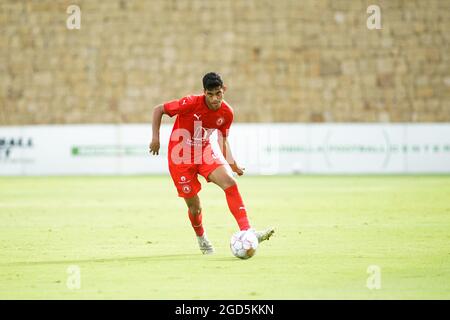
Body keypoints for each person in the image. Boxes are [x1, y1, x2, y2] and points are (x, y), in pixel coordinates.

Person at [149, 72, 274, 254]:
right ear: (204, 93)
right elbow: (158, 109)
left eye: (218, 94)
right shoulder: (190, 103)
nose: (215, 99)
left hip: (205, 152)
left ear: (224, 90)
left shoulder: (227, 113)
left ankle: (247, 231)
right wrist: (155, 138)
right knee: (195, 207)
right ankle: (201, 237)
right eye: (210, 94)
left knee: (230, 183)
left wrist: (232, 165)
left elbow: (222, 140)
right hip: (180, 158)